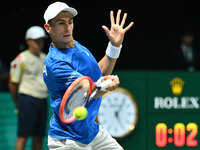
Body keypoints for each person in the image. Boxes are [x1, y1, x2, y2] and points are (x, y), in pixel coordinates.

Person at [43, 1, 133, 150]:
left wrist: (114, 46)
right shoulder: (55, 63)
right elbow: (85, 90)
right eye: (60, 23)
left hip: (90, 131)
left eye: (70, 22)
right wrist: (105, 85)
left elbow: (98, 74)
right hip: (68, 140)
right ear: (48, 27)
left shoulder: (76, 46)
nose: (67, 28)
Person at [8, 26, 48, 150]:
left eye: (41, 40)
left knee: (39, 137)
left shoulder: (45, 58)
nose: (39, 43)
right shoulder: (21, 59)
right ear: (28, 41)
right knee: (23, 136)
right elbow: (13, 83)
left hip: (43, 101)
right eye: (36, 40)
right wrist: (17, 102)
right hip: (27, 101)